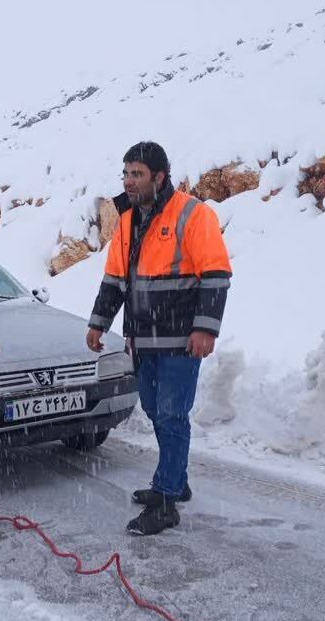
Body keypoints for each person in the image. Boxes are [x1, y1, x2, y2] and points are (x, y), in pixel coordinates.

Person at [86, 141, 232, 536]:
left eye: (137, 173)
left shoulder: (193, 213)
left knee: (171, 413)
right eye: (126, 173)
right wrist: (98, 323)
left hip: (182, 338)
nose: (129, 181)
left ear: (159, 177)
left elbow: (216, 273)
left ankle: (166, 499)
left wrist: (205, 327)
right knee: (152, 407)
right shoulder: (129, 220)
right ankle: (176, 478)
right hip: (143, 338)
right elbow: (115, 279)